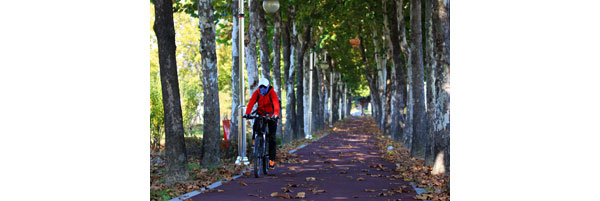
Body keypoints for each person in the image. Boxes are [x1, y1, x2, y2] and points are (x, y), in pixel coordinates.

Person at [243, 78, 280, 169]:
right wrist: (247, 113)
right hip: (261, 113)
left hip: (271, 115)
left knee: (272, 138)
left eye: (264, 87)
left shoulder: (272, 93)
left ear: (268, 86)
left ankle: (271, 160)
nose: (262, 89)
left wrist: (275, 114)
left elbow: (276, 104)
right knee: (256, 125)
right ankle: (255, 140)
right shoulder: (257, 93)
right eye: (261, 87)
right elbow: (251, 102)